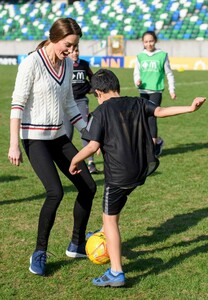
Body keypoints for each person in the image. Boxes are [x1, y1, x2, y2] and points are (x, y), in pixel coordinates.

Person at [69, 69, 206, 287]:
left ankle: (116, 272)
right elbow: (160, 111)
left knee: (110, 218)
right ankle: (104, 233)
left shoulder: (100, 111)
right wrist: (190, 108)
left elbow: (93, 145)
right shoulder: (137, 102)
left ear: (98, 92)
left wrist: (75, 160)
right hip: (140, 169)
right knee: (117, 202)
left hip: (118, 174)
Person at [8, 18, 96, 276]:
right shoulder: (31, 63)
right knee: (55, 192)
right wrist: (14, 144)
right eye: (68, 45)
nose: (70, 51)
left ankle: (76, 244)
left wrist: (89, 135)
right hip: (34, 139)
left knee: (88, 187)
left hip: (59, 137)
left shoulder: (68, 64)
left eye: (74, 46)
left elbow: (70, 104)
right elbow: (17, 104)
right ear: (55, 38)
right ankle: (39, 252)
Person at [133, 30, 176, 157]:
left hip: (156, 91)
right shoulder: (140, 56)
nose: (149, 44)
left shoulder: (162, 55)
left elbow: (169, 73)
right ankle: (157, 141)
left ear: (155, 41)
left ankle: (151, 150)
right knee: (144, 118)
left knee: (152, 116)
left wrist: (172, 90)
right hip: (143, 91)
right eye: (146, 42)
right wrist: (137, 82)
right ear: (143, 43)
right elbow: (136, 72)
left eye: (151, 41)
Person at [64, 45, 99, 174]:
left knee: (85, 131)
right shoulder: (64, 64)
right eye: (72, 51)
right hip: (66, 103)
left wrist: (93, 89)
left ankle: (90, 162)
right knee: (67, 134)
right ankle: (67, 161)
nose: (75, 53)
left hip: (81, 102)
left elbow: (93, 78)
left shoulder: (84, 64)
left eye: (77, 50)